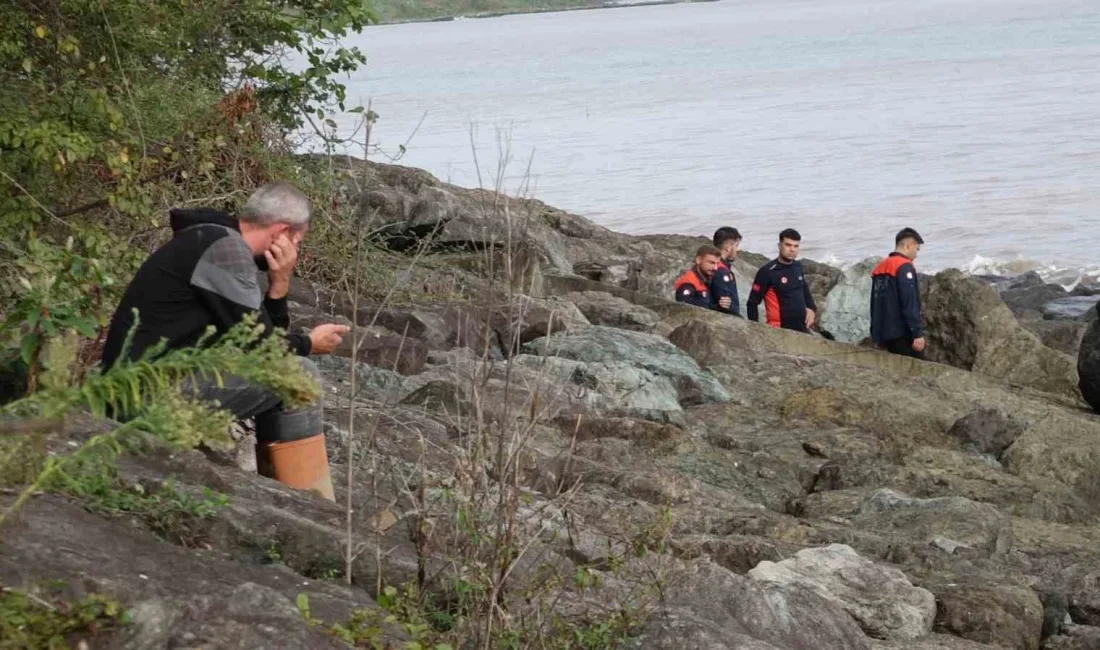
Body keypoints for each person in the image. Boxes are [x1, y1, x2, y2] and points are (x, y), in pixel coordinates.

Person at [101, 182, 350, 501]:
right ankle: (305, 501)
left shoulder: (208, 239)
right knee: (300, 375)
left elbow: (257, 342)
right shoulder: (225, 250)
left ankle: (287, 495)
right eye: (297, 241)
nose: (295, 251)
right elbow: (266, 350)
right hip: (144, 397)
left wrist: (278, 288)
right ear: (281, 232)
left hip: (136, 386)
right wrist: (309, 344)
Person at [746, 228, 817, 332]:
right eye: (788, 245)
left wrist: (812, 309)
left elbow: (804, 289)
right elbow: (752, 303)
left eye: (796, 246)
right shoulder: (767, 271)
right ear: (779, 246)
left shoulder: (798, 266)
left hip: (802, 328)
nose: (792, 249)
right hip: (780, 330)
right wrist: (757, 331)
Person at [870, 227, 926, 358]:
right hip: (902, 334)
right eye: (916, 249)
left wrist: (876, 333)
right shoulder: (904, 266)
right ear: (908, 245)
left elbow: (874, 302)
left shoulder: (879, 268)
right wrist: (917, 333)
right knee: (919, 370)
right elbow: (909, 302)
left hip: (883, 333)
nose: (916, 254)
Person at [674, 245, 722, 309]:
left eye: (717, 264)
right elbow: (683, 310)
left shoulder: (706, 279)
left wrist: (719, 306)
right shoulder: (688, 284)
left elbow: (706, 306)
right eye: (711, 263)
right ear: (698, 260)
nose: (715, 268)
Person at [711, 227, 742, 317]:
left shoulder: (714, 265)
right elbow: (726, 305)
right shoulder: (721, 271)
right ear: (728, 247)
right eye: (736, 245)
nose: (737, 250)